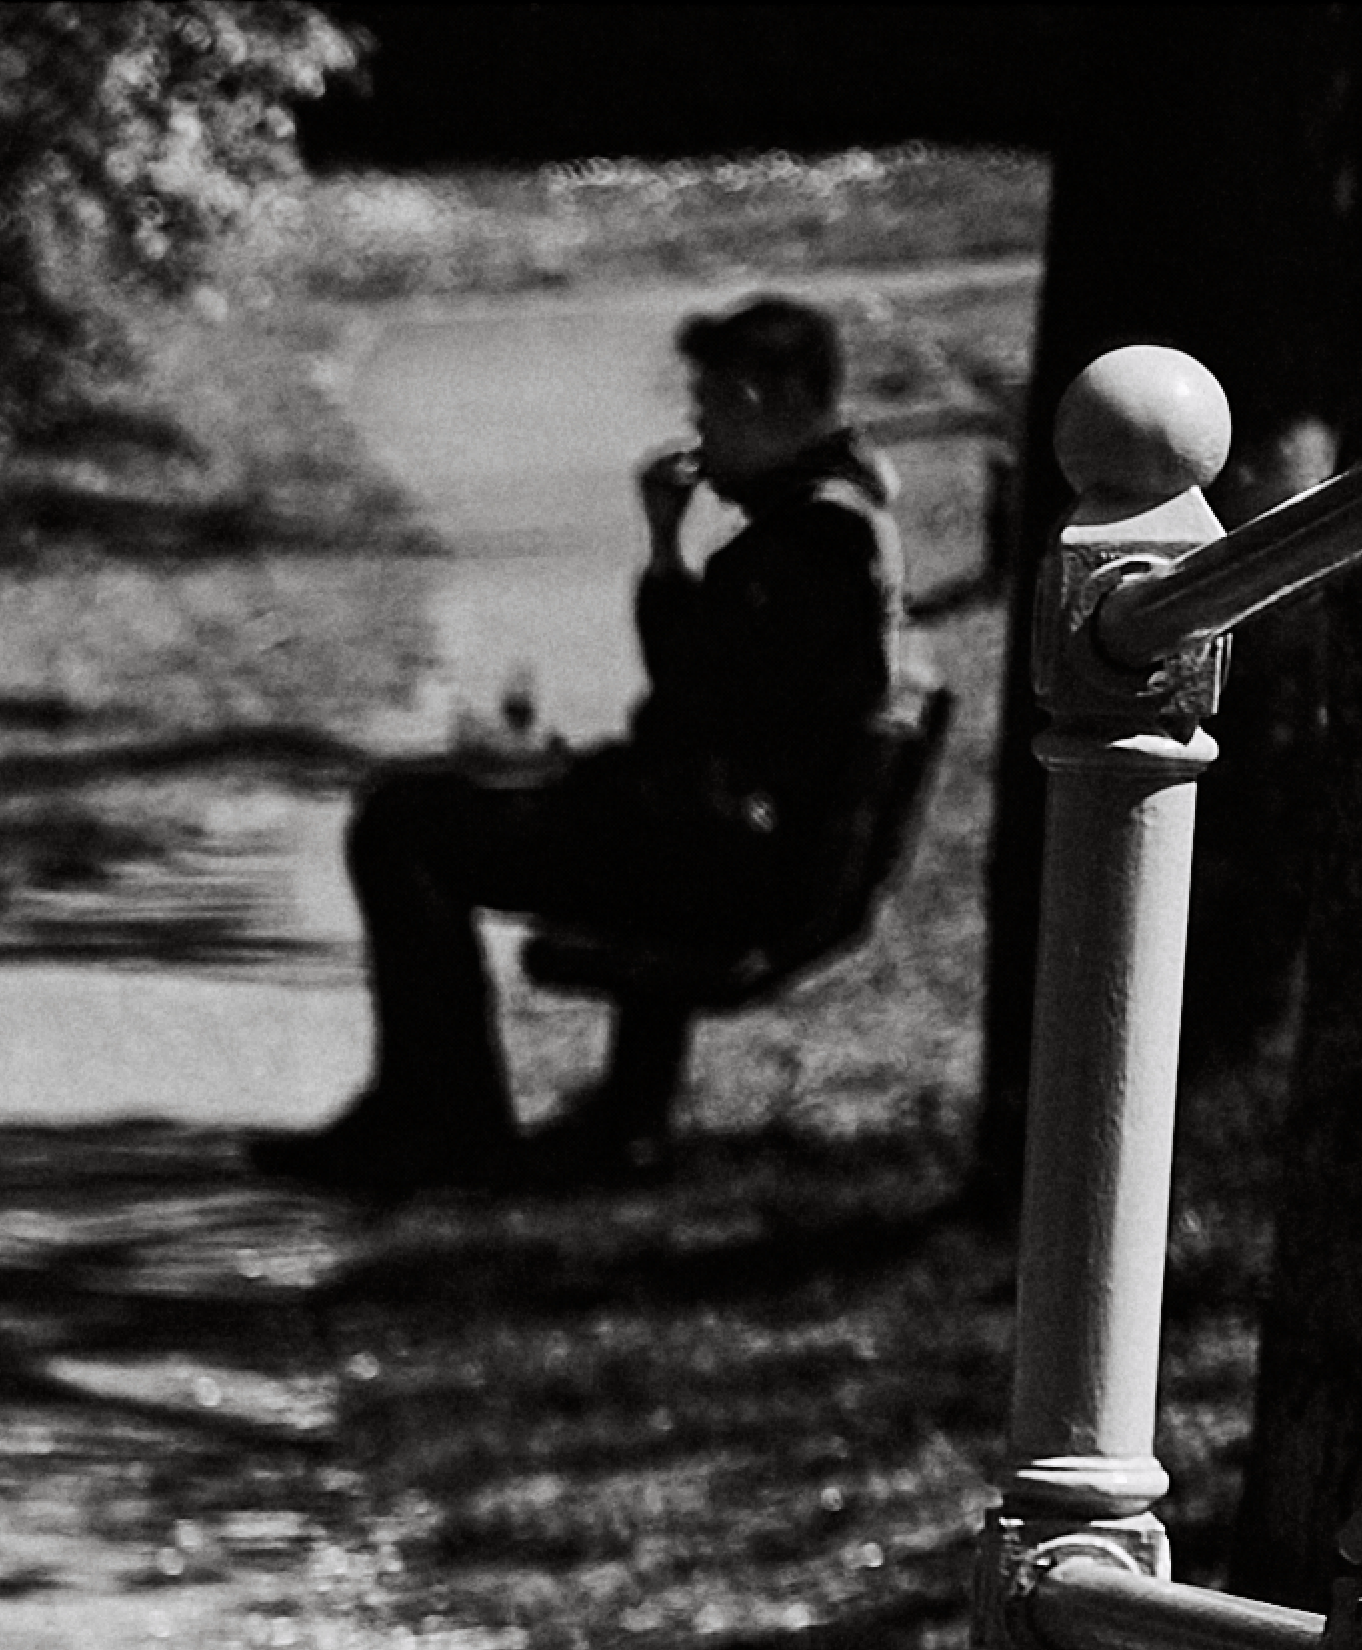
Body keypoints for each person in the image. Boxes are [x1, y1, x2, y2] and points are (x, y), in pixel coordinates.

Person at [252, 294, 905, 1195]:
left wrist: (567, 772)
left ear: (762, 399)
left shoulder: (812, 541)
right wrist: (664, 557)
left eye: (709, 407)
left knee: (402, 824)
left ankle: (441, 1122)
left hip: (716, 857)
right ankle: (454, 1115)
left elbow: (691, 713)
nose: (698, 432)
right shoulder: (829, 522)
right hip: (735, 841)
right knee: (427, 808)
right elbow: (706, 707)